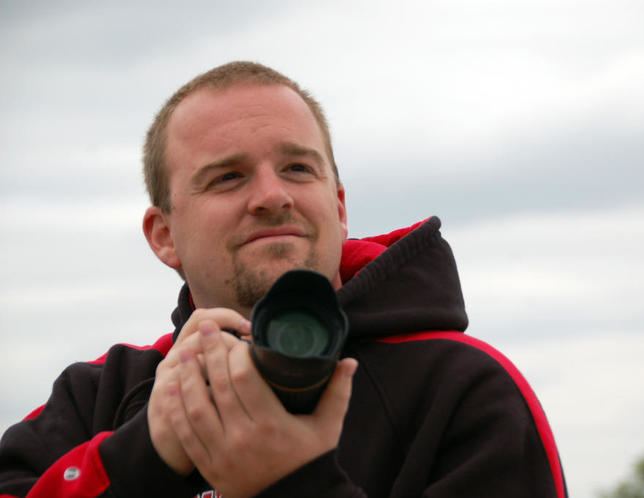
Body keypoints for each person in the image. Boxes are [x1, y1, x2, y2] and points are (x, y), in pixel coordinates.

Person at [0, 61, 567, 497]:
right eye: (227, 177)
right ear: (163, 235)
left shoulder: (462, 387)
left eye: (298, 168)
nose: (273, 197)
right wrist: (144, 452)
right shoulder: (96, 398)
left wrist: (294, 485)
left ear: (340, 207)